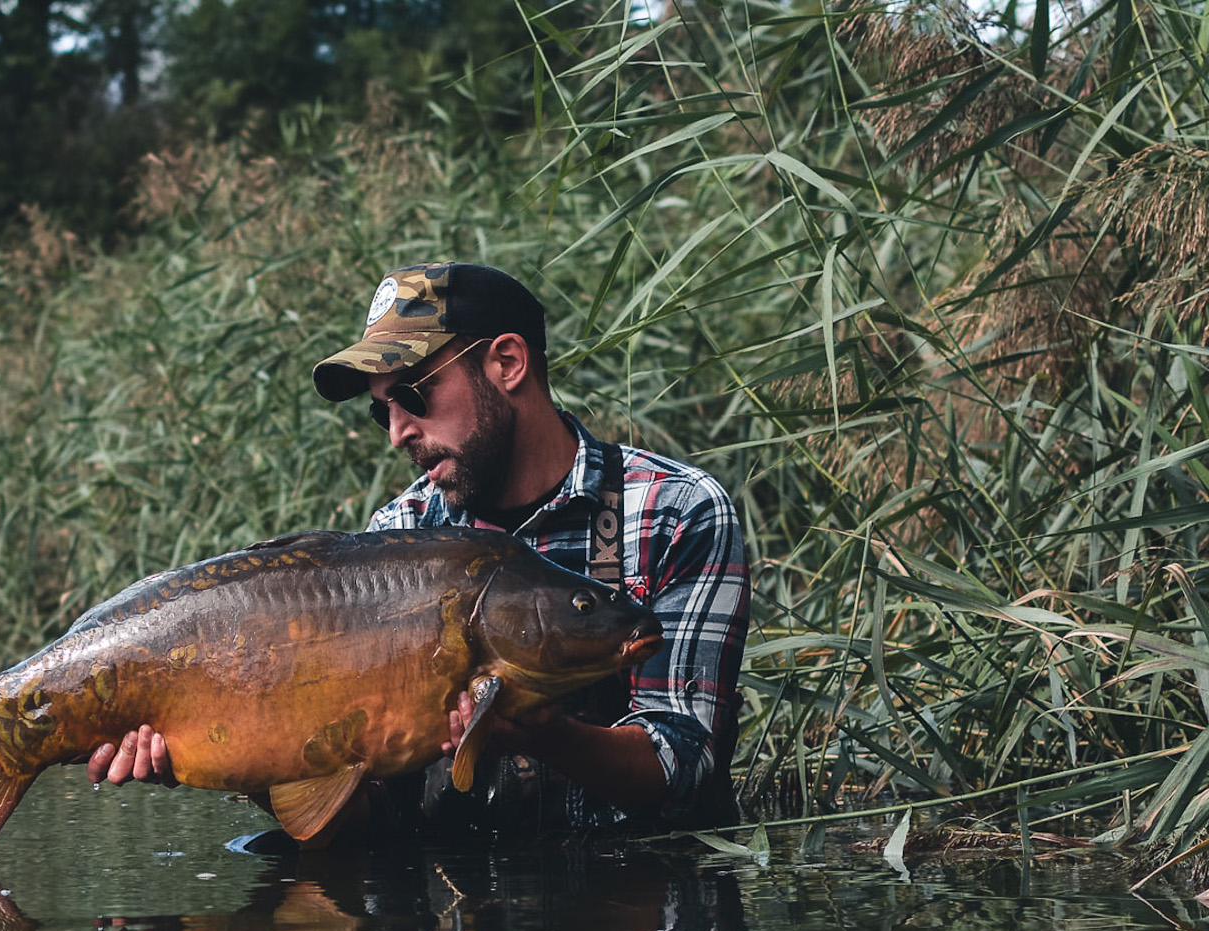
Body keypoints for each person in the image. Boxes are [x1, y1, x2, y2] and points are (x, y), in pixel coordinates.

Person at [90, 260, 749, 833]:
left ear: (507, 363)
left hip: (646, 922)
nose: (397, 433)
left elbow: (683, 767)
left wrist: (550, 736)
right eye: (383, 412)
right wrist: (247, 760)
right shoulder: (394, 541)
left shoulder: (675, 512)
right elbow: (363, 820)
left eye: (413, 395)